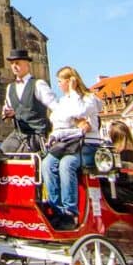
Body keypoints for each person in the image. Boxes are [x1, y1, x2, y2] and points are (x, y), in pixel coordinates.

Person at [41, 67, 102, 230]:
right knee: (46, 164)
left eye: (61, 81)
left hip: (88, 146)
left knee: (66, 164)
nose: (58, 85)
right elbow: (58, 120)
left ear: (70, 81)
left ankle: (70, 212)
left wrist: (74, 92)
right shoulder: (64, 101)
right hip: (67, 145)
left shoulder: (89, 98)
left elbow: (79, 111)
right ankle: (56, 209)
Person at [0, 49, 56, 152]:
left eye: (17, 63)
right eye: (12, 63)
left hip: (36, 134)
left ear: (27, 64)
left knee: (22, 157)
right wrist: (7, 114)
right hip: (18, 134)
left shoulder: (38, 84)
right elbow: (7, 113)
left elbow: (55, 107)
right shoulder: (10, 88)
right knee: (0, 154)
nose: (14, 66)